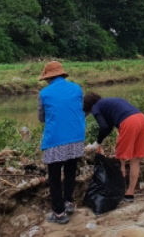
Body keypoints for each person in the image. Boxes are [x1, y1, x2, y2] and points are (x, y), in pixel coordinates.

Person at [37, 61, 86, 224]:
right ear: (62, 74)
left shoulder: (44, 94)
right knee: (71, 170)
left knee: (55, 177)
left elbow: (41, 118)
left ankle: (59, 213)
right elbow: (79, 109)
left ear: (48, 78)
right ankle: (69, 203)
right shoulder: (77, 88)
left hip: (56, 140)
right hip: (77, 137)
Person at [83, 93, 144, 203]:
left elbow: (103, 127)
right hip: (141, 119)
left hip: (129, 122)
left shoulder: (96, 107)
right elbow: (108, 127)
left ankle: (118, 192)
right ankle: (129, 194)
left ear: (88, 106)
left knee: (120, 160)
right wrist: (96, 144)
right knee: (135, 159)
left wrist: (95, 144)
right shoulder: (108, 102)